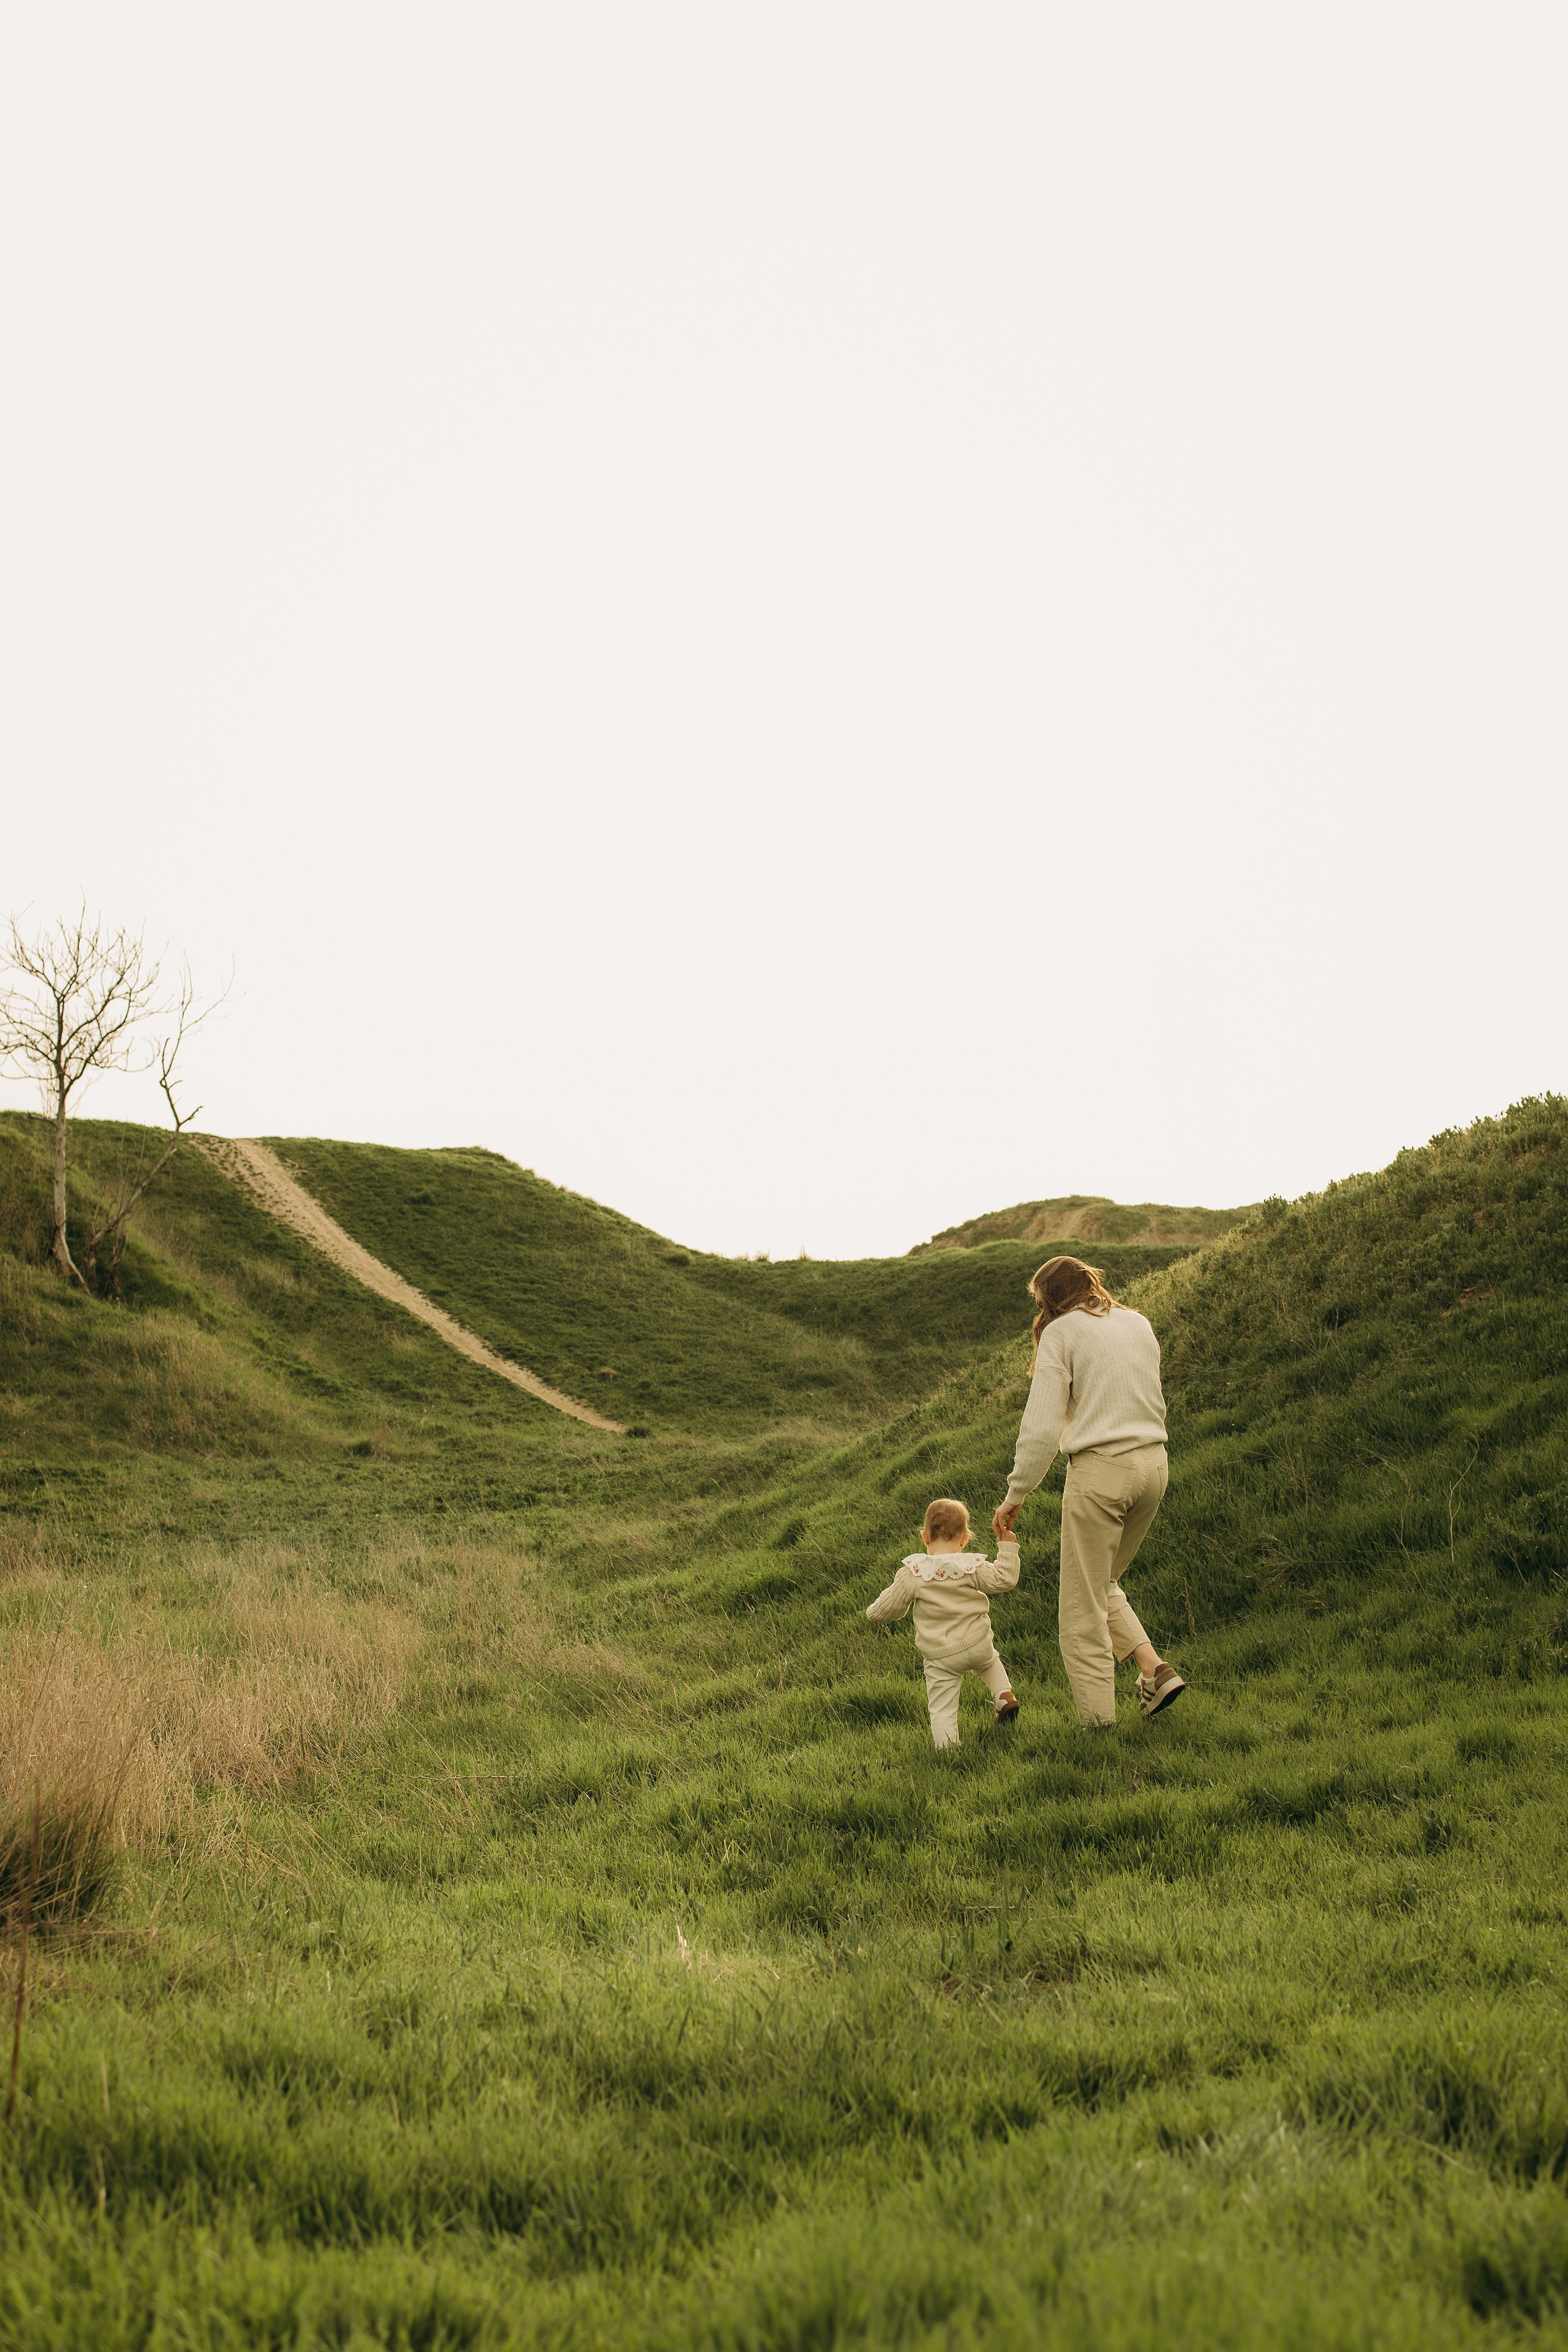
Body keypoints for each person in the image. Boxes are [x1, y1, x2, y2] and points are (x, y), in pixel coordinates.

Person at [992, 1256, 1185, 1727]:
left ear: (1051, 1300)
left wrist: (1016, 1494)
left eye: (1040, 1303)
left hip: (1102, 1472)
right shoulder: (1138, 1323)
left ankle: (1099, 1728)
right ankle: (1155, 1671)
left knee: (1081, 1612)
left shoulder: (1061, 1333)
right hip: (1154, 1464)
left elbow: (1040, 1429)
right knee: (1102, 1585)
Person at [866, 1496, 1020, 1749]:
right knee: (989, 1662)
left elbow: (891, 1605)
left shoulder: (914, 1572)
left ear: (925, 1537)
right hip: (978, 1641)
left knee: (942, 1706)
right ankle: (1003, 1695)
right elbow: (1005, 1579)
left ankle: (949, 1752)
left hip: (941, 1656)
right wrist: (1006, 1546)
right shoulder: (972, 1566)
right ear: (965, 1539)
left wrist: (875, 1614)